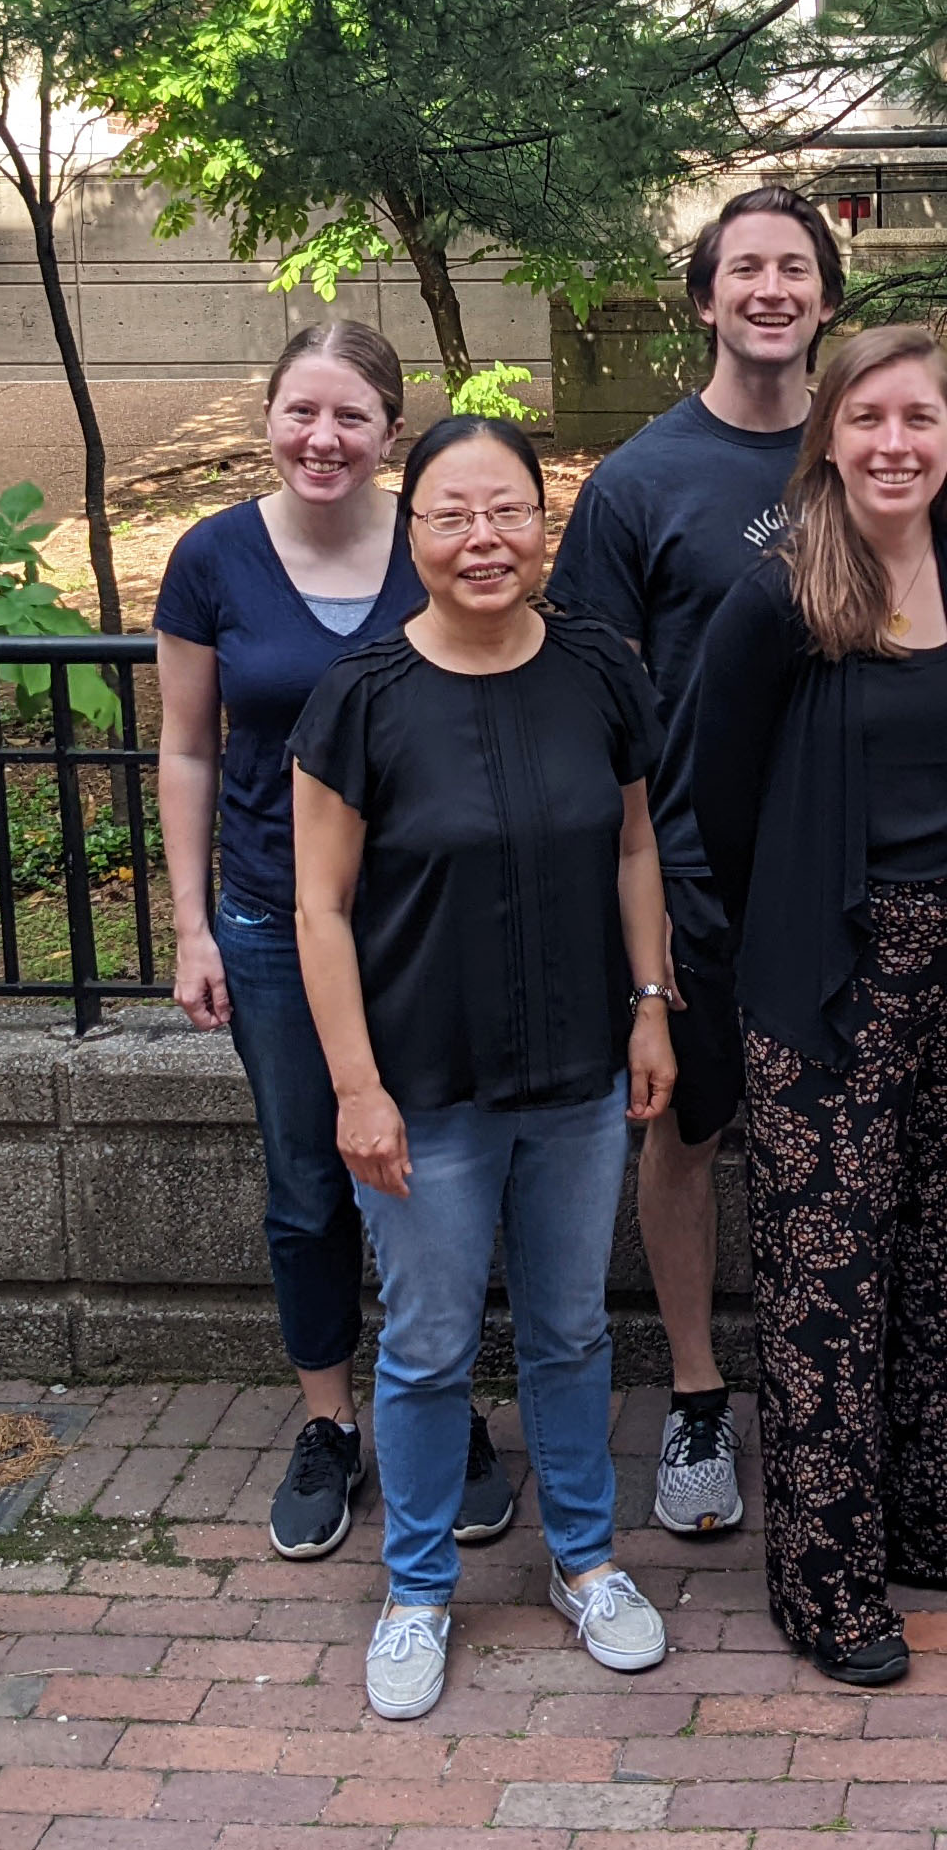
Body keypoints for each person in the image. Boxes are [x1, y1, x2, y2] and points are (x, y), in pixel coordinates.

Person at [287, 414, 679, 1722]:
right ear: (414, 537)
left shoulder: (598, 670)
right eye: (452, 516)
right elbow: (320, 910)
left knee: (569, 1328)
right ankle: (415, 1592)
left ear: (543, 520)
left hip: (576, 1074)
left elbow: (635, 850)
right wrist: (354, 1083)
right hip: (423, 1086)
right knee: (431, 1345)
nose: (483, 540)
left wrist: (649, 1005)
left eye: (506, 510)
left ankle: (584, 1561)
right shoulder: (362, 698)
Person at [695, 326, 947, 1689]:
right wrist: (740, 972)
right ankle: (824, 1581)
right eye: (869, 419)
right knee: (827, 1284)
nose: (895, 443)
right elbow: (711, 804)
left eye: (922, 420)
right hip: (824, 980)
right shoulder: (776, 597)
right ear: (829, 437)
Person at [155, 323, 516, 1561]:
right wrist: (193, 920)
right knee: (310, 1185)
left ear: (390, 433)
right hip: (267, 919)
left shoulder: (433, 547)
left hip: (420, 924)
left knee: (438, 1173)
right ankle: (328, 1422)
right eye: (302, 412)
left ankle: (441, 1402)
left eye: (351, 416)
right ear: (268, 416)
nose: (324, 438)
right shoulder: (212, 560)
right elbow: (190, 746)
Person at [548, 184, 844, 1535]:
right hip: (689, 873)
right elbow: (592, 697)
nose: (772, 289)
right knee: (687, 1131)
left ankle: (821, 1380)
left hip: (848, 867)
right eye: (747, 270)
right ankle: (696, 1398)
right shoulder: (638, 484)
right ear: (707, 298)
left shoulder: (869, 457)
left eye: (796, 269)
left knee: (831, 1141)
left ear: (826, 299)